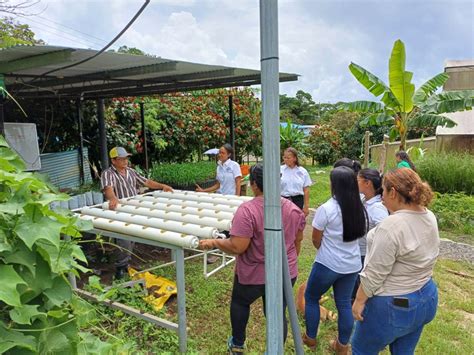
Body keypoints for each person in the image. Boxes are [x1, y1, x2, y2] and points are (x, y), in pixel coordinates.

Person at [199, 164, 306, 354]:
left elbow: (238, 246)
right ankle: (275, 350)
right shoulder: (292, 209)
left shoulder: (247, 210)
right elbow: (297, 242)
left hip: (254, 274)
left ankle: (238, 344)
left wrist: (214, 242)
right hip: (285, 272)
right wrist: (286, 264)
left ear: (255, 185)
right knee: (276, 312)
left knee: (240, 302)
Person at [352, 168, 439, 355]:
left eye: (383, 190)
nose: (381, 195)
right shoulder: (428, 215)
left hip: (394, 304)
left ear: (393, 192)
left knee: (361, 350)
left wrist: (359, 300)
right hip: (426, 296)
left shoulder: (391, 226)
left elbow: (374, 274)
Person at [303, 166, 367, 354]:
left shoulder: (327, 208)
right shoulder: (359, 208)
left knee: (311, 298)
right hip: (352, 265)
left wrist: (324, 250)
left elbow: (316, 239)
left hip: (327, 265)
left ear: (335, 185)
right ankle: (342, 345)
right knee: (344, 302)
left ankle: (310, 338)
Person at [100, 146, 173, 279]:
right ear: (114, 161)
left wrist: (162, 186)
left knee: (133, 236)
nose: (125, 161)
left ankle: (126, 263)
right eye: (121, 159)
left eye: (126, 158)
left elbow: (146, 182)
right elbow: (108, 188)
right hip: (120, 211)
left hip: (134, 209)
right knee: (124, 238)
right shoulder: (108, 173)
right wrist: (113, 198)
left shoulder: (131, 172)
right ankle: (120, 268)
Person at [353, 168, 389, 302]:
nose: (355, 182)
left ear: (367, 183)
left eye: (358, 180)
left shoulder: (378, 208)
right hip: (358, 250)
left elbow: (386, 232)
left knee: (362, 289)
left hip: (366, 254)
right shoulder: (363, 199)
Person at [280, 147, 312, 216]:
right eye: (284, 157)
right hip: (283, 200)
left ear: (295, 158)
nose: (286, 159)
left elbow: (306, 190)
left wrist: (306, 206)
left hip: (298, 201)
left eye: (288, 158)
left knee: (296, 223)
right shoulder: (280, 170)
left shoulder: (302, 171)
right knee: (284, 223)